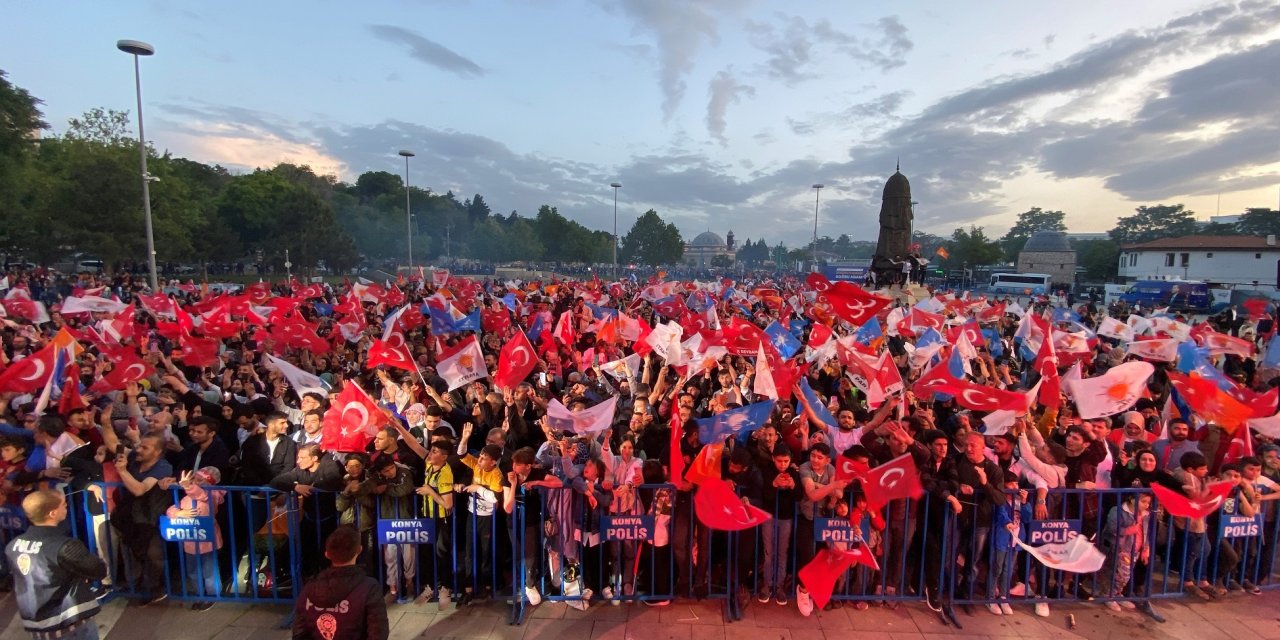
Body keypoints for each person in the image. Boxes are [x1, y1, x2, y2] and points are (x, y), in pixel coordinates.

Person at [5, 489, 108, 640]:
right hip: (68, 622)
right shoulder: (64, 545)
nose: (66, 507)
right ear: (52, 513)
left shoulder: (13, 545)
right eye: (63, 505)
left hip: (37, 623)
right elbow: (98, 570)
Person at [292, 525, 389, 640]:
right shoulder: (369, 588)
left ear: (327, 554)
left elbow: (299, 633)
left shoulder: (308, 589)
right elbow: (378, 634)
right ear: (359, 550)